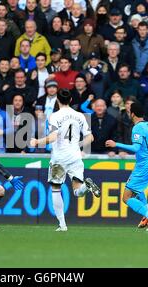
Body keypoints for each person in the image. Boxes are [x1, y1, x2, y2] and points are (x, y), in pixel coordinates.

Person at [30, 89, 100, 231]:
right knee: (78, 192)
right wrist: (78, 146)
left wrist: (37, 142)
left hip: (59, 158)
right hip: (75, 156)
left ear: (57, 100)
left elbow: (53, 137)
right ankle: (87, 186)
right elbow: (90, 137)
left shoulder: (54, 116)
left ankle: (62, 225)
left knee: (56, 189)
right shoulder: (80, 116)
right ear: (71, 101)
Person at [105, 102, 148, 231]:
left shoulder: (137, 128)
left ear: (133, 114)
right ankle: (147, 217)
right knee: (138, 190)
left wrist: (116, 144)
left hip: (145, 166)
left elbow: (136, 147)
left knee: (126, 197)